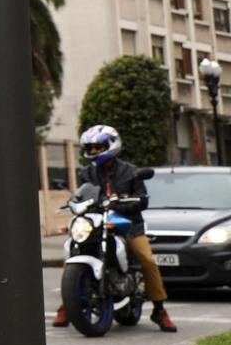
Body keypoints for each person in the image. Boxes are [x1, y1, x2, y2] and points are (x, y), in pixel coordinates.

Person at [55, 124, 176, 333]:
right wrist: (74, 202)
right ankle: (68, 304)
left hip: (127, 225)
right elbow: (83, 194)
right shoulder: (87, 173)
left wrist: (120, 202)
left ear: (111, 145)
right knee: (74, 249)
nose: (93, 152)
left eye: (97, 147)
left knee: (146, 260)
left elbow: (142, 201)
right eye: (90, 148)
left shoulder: (130, 171)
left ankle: (159, 309)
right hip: (97, 221)